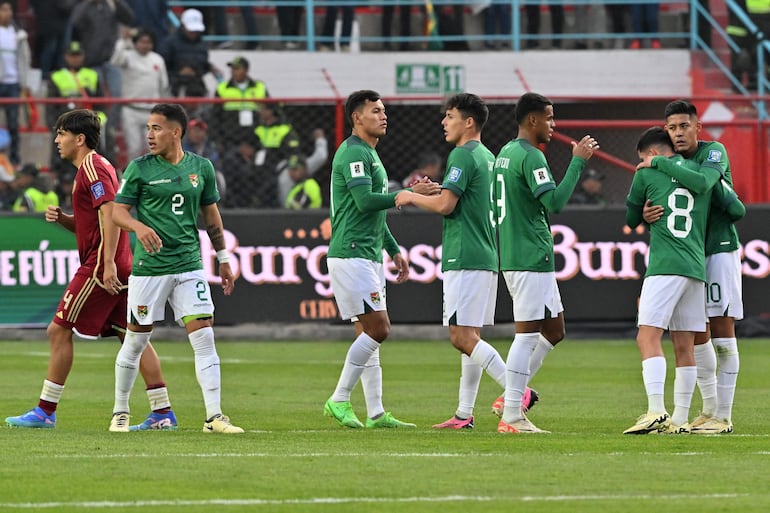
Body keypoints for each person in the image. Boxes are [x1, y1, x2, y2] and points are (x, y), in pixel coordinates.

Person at [5, 109, 176, 430]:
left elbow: (111, 212)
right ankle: (162, 412)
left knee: (58, 330)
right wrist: (68, 220)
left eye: (61, 134)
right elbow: (95, 221)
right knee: (133, 337)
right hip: (115, 260)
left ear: (79, 139)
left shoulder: (93, 168)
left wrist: (107, 263)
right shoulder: (93, 168)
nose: (57, 141)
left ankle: (45, 411)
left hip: (101, 264)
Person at [110, 103, 242, 434]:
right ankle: (120, 411)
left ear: (176, 132)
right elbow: (118, 212)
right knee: (136, 341)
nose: (149, 135)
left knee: (204, 337)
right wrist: (138, 228)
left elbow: (211, 215)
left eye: (156, 128)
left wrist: (223, 257)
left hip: (189, 264)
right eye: (148, 128)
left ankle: (214, 417)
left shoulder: (202, 168)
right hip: (150, 268)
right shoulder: (139, 169)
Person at [395, 93, 519, 431]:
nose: (443, 122)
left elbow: (447, 206)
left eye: (450, 116)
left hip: (464, 253)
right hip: (485, 253)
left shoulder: (462, 155)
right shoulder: (487, 155)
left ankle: (517, 391)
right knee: (471, 335)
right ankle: (464, 414)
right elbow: (461, 199)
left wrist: (411, 196)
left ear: (468, 122)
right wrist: (436, 193)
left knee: (460, 336)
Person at [323, 89, 439, 429]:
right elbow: (363, 201)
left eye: (384, 110)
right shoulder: (353, 154)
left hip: (369, 253)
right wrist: (408, 195)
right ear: (357, 117)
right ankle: (339, 399)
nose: (383, 115)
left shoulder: (371, 155)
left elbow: (374, 211)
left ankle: (375, 413)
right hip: (352, 252)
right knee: (379, 328)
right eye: (375, 111)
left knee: (368, 332)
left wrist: (392, 249)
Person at [493, 92, 597, 433]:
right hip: (529, 256)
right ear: (532, 120)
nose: (553, 126)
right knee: (526, 335)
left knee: (554, 329)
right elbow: (555, 203)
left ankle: (512, 394)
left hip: (518, 253)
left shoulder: (506, 152)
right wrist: (578, 161)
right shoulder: (531, 156)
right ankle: (511, 413)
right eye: (549, 119)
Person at [643, 100, 745, 434]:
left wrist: (660, 162)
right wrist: (646, 214)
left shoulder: (713, 152)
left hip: (719, 251)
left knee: (722, 334)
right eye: (671, 128)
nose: (678, 133)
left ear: (697, 127)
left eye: (684, 126)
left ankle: (724, 416)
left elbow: (702, 185)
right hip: (691, 256)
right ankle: (709, 409)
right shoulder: (676, 164)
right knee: (697, 335)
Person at [623, 126, 727, 434]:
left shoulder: (645, 174)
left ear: (652, 155)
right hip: (696, 267)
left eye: (643, 158)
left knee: (647, 336)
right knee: (685, 344)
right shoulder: (698, 172)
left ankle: (656, 410)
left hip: (666, 264)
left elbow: (630, 221)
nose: (642, 163)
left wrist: (641, 211)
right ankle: (680, 420)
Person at [47, 41, 108, 176]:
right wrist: (54, 124)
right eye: (72, 55)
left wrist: (97, 119)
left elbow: (101, 102)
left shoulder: (92, 75)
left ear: (83, 56)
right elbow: (51, 106)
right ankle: (59, 173)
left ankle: (103, 168)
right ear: (66, 56)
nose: (75, 58)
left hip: (89, 119)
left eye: (78, 55)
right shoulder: (56, 76)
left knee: (105, 133)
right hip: (65, 120)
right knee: (58, 138)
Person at [111, 27, 170, 161]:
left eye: (148, 42)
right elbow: (115, 60)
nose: (145, 45)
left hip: (152, 112)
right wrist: (123, 40)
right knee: (134, 148)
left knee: (154, 148)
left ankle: (153, 178)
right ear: (135, 43)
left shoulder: (158, 59)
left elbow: (164, 85)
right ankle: (135, 178)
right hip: (131, 110)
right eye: (142, 42)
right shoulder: (127, 56)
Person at [211, 56, 268, 152]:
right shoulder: (222, 88)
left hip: (255, 136)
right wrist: (218, 139)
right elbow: (215, 116)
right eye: (232, 69)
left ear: (246, 70)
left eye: (237, 68)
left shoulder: (259, 87)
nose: (233, 71)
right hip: (230, 137)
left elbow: (269, 109)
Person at [158, 8, 216, 100]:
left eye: (196, 30)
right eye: (191, 30)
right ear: (183, 26)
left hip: (197, 88)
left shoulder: (202, 44)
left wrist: (208, 67)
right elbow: (162, 68)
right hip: (174, 89)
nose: (194, 33)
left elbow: (203, 64)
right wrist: (178, 73)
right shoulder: (168, 43)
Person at [0, 0, 31, 166]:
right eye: (3, 10)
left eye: (9, 10)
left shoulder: (19, 34)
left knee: (13, 123)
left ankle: (14, 159)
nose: (7, 13)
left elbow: (25, 60)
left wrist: (24, 82)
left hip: (13, 84)